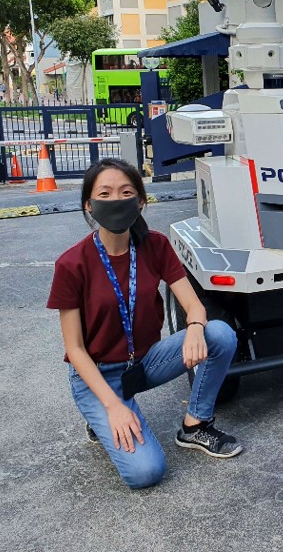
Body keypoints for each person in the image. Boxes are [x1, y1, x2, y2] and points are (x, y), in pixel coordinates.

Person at [47, 158, 242, 489]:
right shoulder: (71, 264)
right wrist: (113, 406)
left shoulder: (155, 245)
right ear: (89, 206)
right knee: (145, 472)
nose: (115, 201)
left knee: (219, 334)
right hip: (97, 374)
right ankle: (102, 415)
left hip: (145, 362)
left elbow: (193, 305)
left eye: (125, 192)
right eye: (104, 194)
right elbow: (75, 349)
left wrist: (195, 327)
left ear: (140, 201)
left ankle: (195, 425)